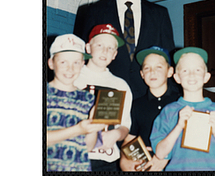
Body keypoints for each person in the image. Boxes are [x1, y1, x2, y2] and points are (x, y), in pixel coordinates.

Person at [73, 0, 175, 100]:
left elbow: (168, 60)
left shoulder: (159, 14)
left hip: (149, 100)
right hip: (106, 98)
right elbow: (81, 59)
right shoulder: (93, 12)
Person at [150, 47, 215, 171]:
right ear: (177, 77)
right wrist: (178, 126)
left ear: (206, 77)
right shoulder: (169, 112)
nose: (192, 75)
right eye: (185, 70)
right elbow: (160, 153)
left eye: (198, 70)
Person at [73, 24, 133, 171]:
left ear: (115, 54)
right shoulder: (73, 77)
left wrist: (117, 133)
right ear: (88, 48)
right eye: (99, 45)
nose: (105, 51)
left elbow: (125, 125)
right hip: (74, 155)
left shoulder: (120, 85)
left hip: (107, 159)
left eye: (110, 48)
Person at [47, 34, 106, 171]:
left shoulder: (88, 99)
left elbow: (89, 146)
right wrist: (78, 129)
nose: (70, 69)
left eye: (76, 62)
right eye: (63, 62)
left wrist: (93, 125)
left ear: (83, 64)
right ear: (51, 63)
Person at [119, 46, 181, 172]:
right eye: (147, 68)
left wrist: (164, 158)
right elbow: (129, 140)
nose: (152, 72)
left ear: (170, 71)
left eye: (159, 67)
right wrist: (125, 161)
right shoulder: (136, 105)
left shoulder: (181, 102)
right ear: (142, 74)